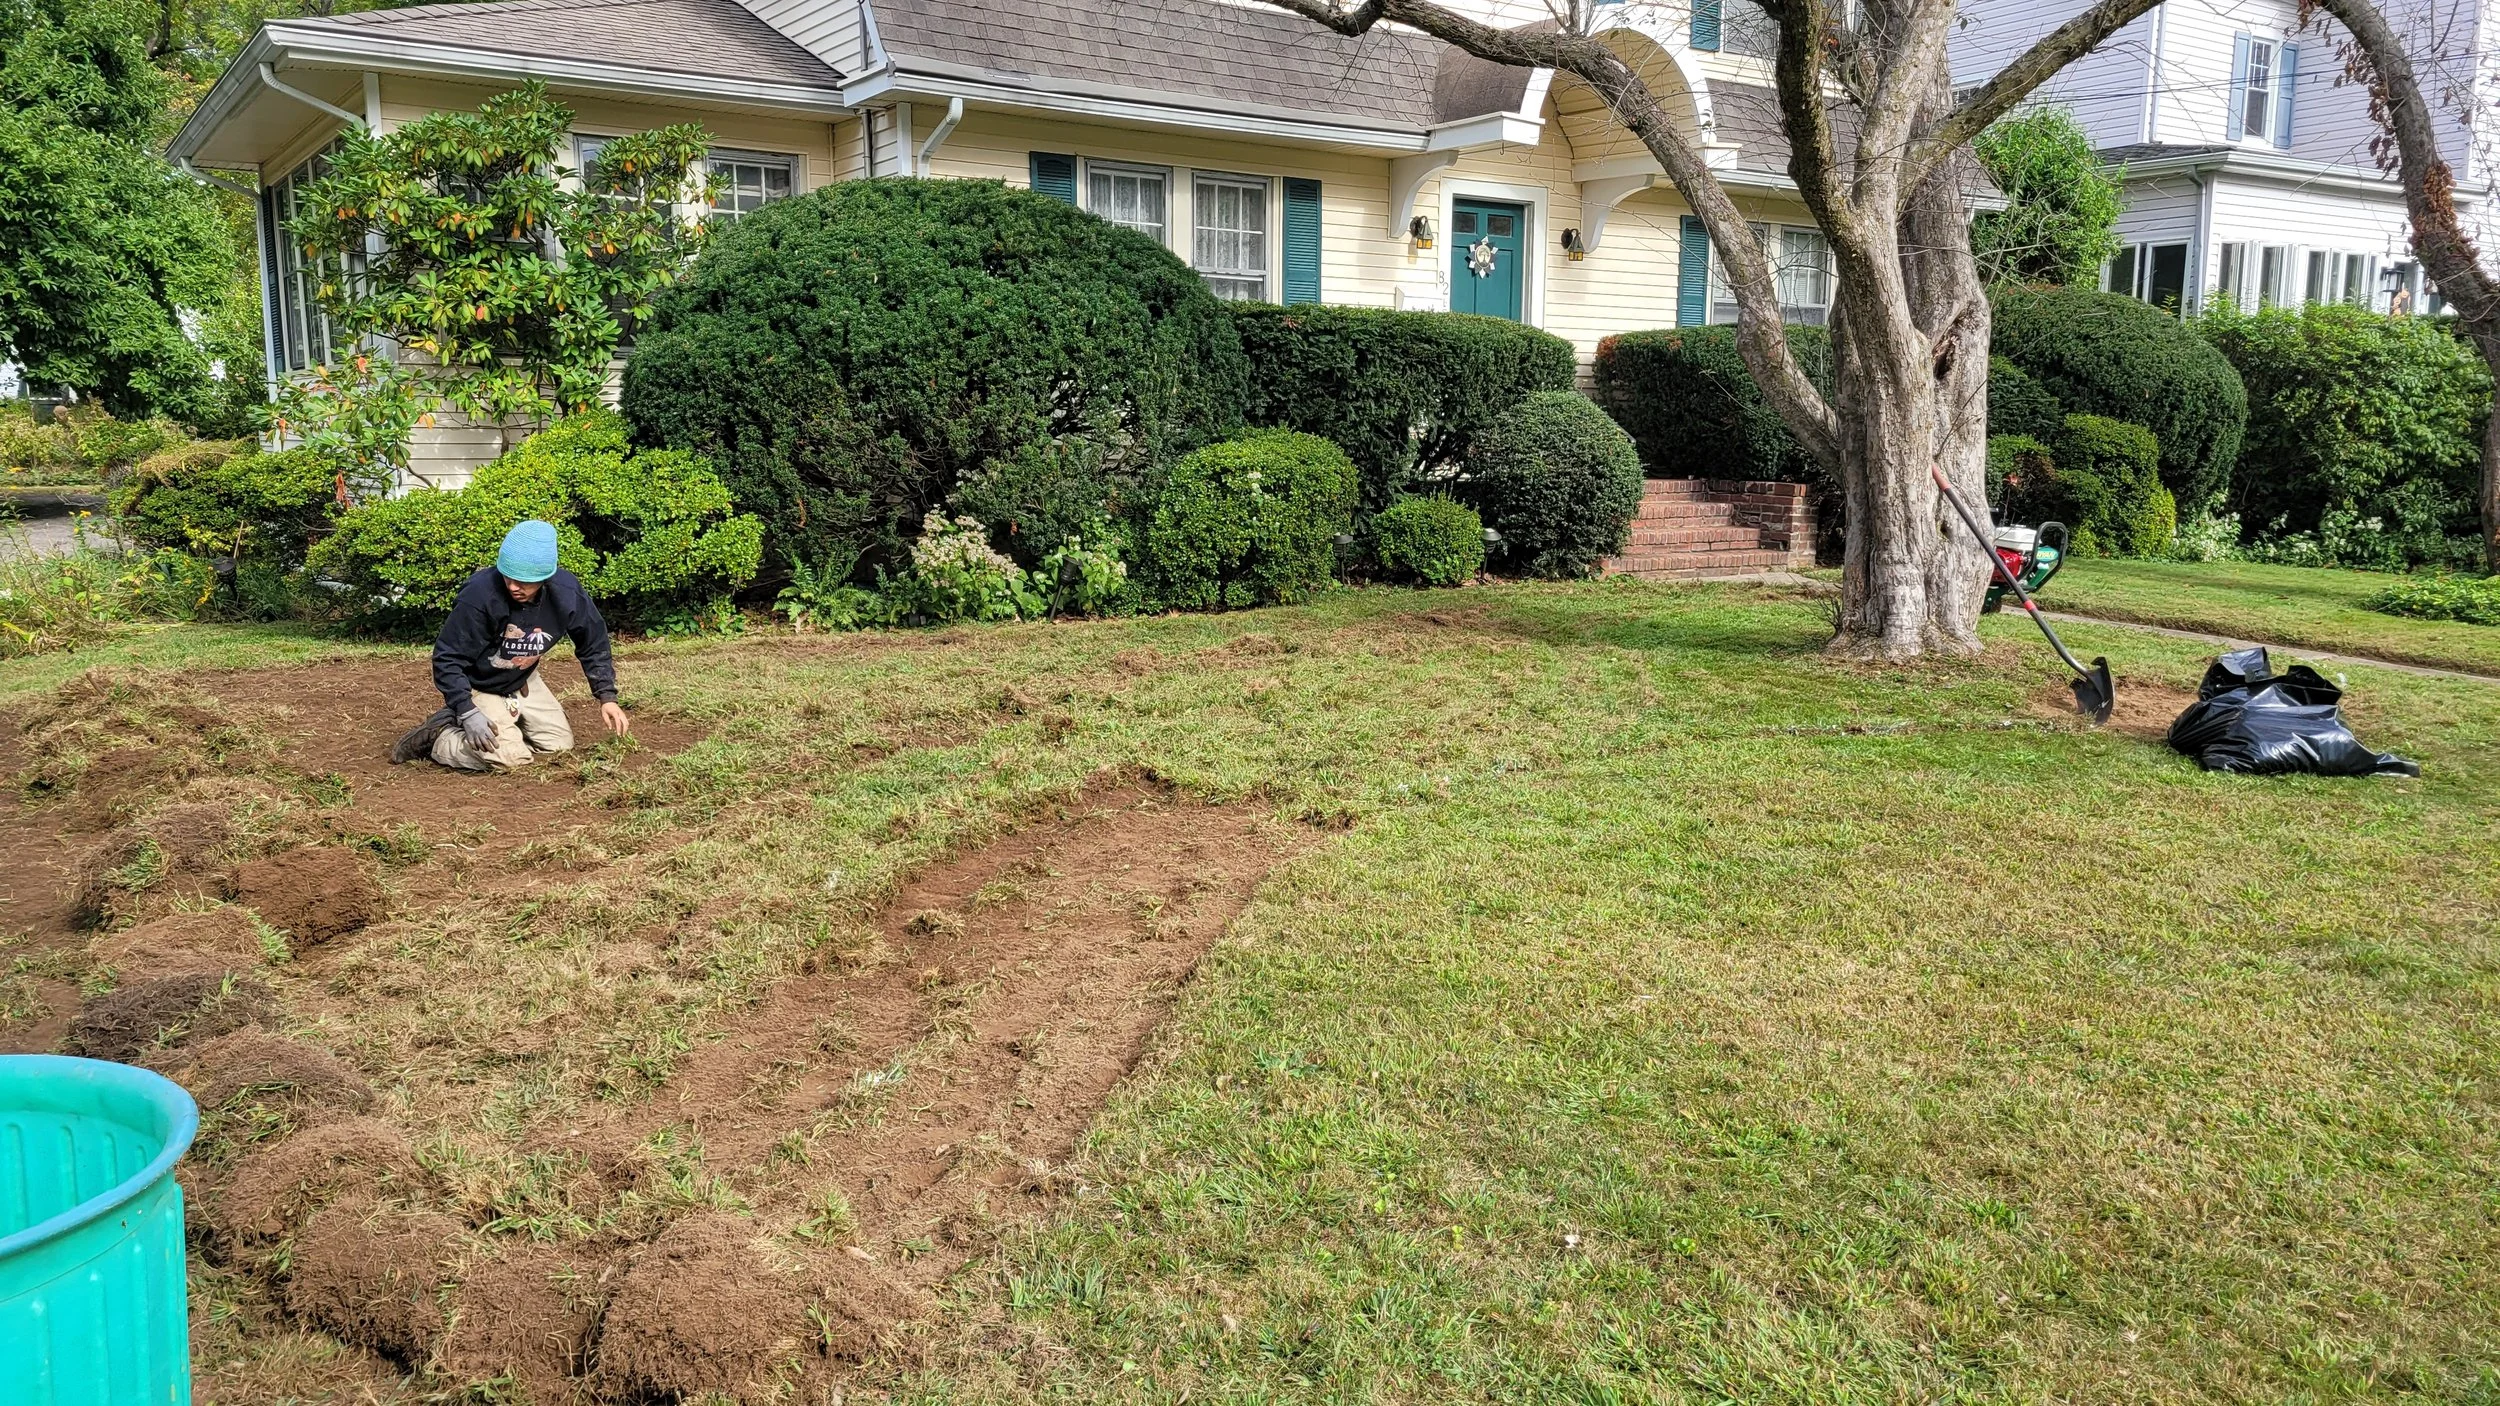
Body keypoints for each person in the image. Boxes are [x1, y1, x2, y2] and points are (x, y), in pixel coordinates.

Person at [390, 520, 631, 769]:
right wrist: (467, 710)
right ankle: (439, 738)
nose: (514, 587)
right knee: (510, 760)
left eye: (524, 581)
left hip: (521, 678)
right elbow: (447, 658)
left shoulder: (567, 592)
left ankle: (504, 726)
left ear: (545, 577)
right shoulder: (479, 595)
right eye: (508, 577)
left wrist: (607, 696)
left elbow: (593, 642)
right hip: (479, 684)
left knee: (558, 745)